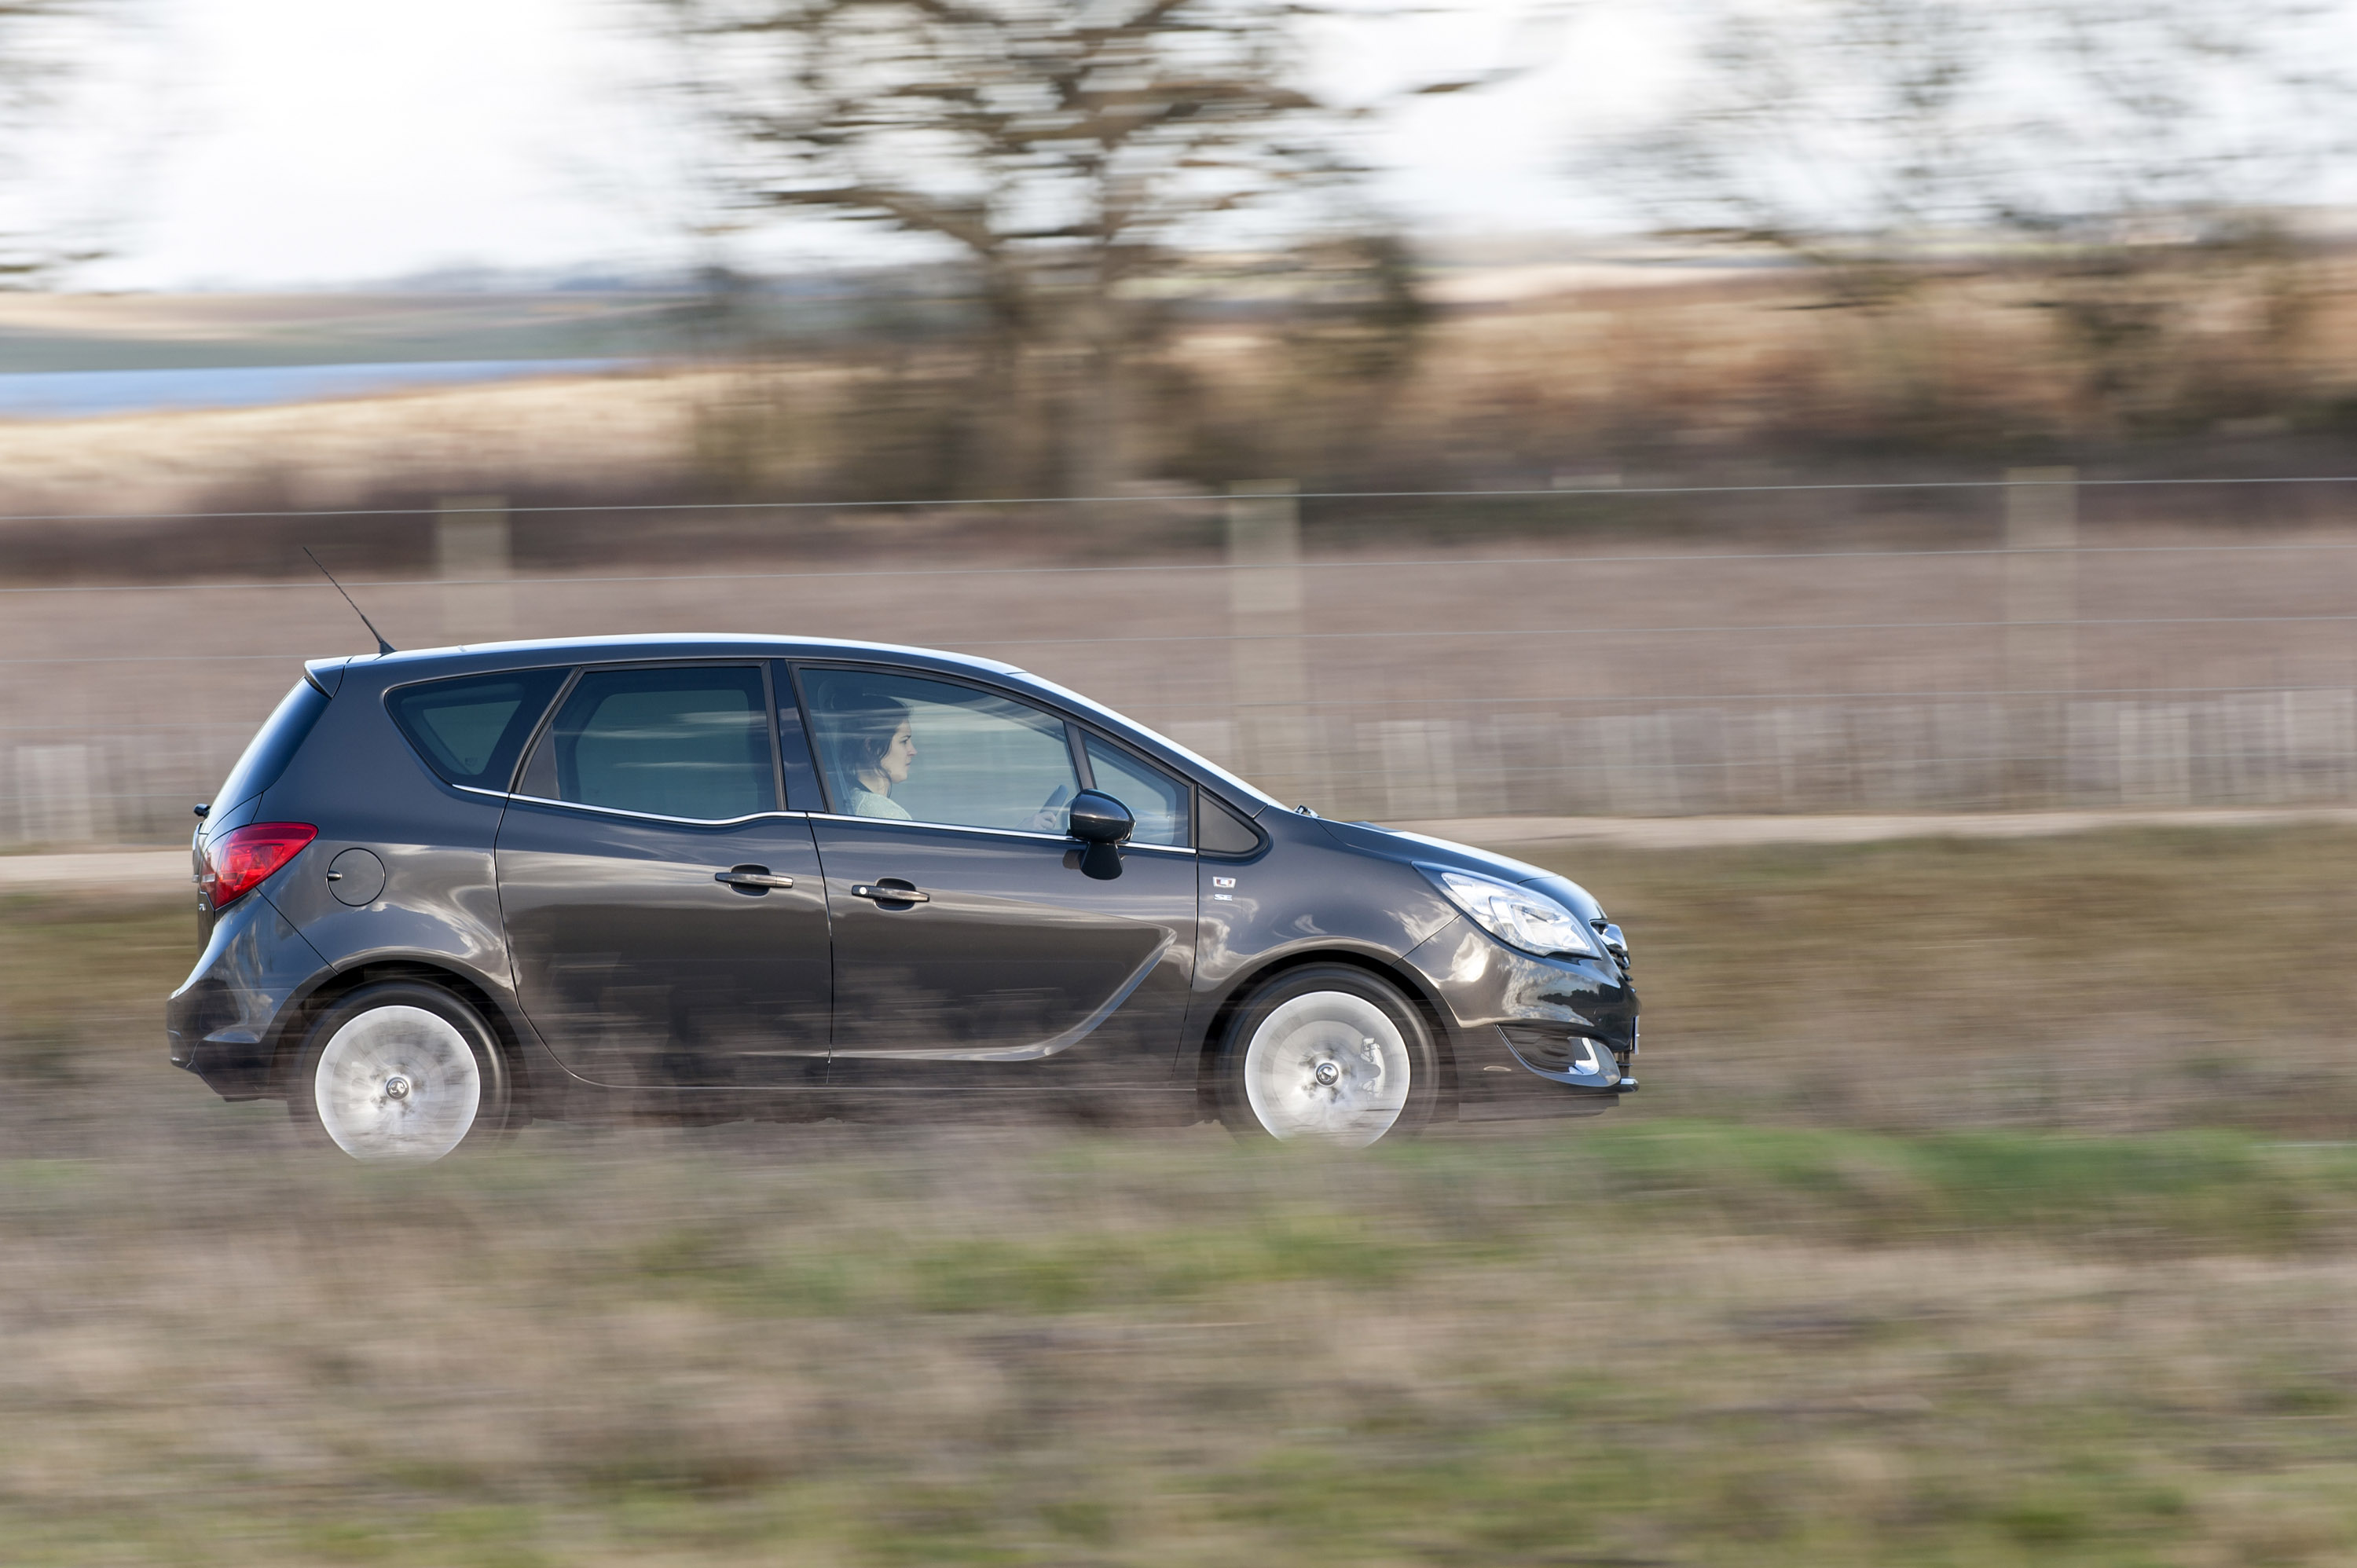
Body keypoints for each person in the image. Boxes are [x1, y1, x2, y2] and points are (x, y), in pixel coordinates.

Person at [826, 694, 917, 819]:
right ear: (872, 748)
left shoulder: (852, 803)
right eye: (904, 741)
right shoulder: (886, 815)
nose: (913, 751)